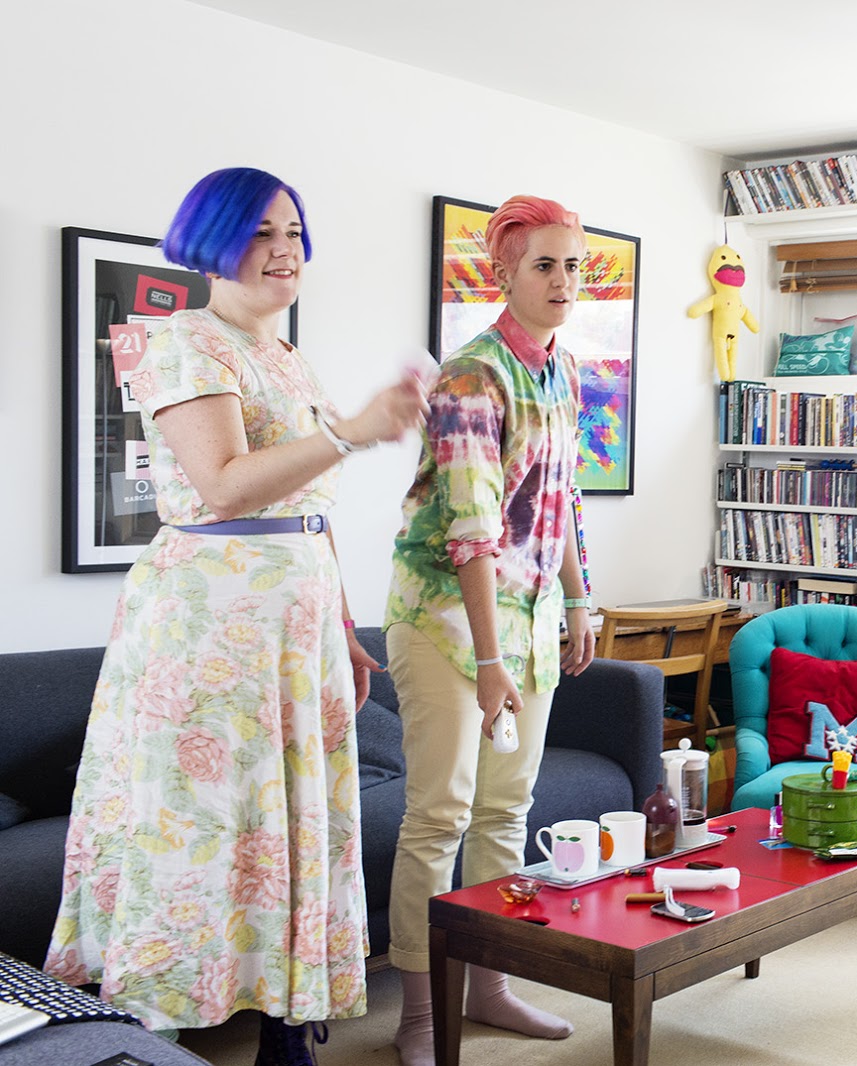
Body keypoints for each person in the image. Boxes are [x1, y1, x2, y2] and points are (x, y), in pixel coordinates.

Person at [43, 167, 430, 1065]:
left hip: (296, 623)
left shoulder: (286, 356)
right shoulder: (183, 341)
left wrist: (341, 625)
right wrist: (350, 430)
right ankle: (155, 1031)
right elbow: (221, 487)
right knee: (198, 822)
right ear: (211, 241)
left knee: (292, 821)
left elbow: (307, 511)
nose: (284, 250)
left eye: (293, 232)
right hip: (210, 623)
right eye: (260, 232)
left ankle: (288, 1027)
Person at [382, 194, 596, 1066]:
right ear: (504, 274)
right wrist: (490, 657)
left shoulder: (564, 369)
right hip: (447, 623)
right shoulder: (471, 378)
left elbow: (560, 501)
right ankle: (421, 1011)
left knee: (508, 810)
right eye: (544, 265)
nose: (563, 281)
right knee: (440, 815)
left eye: (573, 265)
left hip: (530, 616)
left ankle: (491, 986)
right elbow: (471, 530)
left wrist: (578, 602)